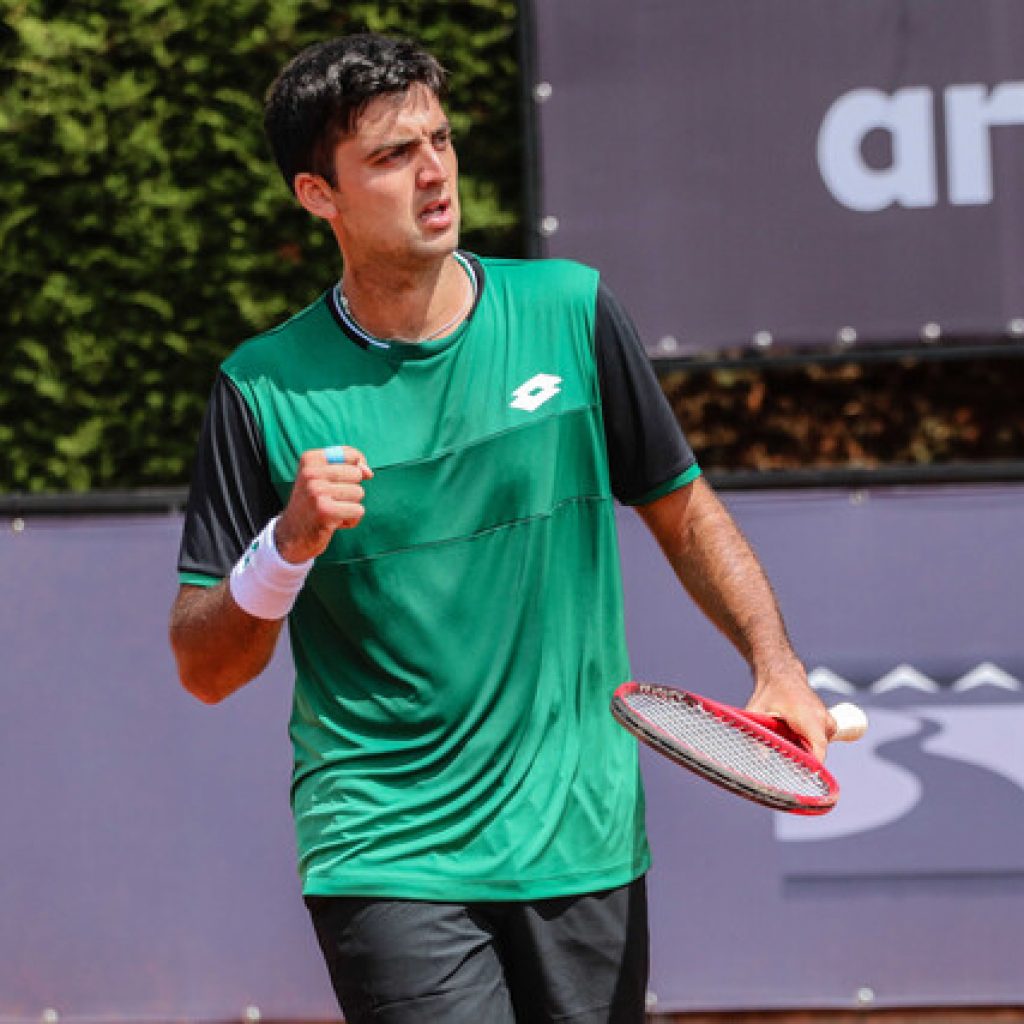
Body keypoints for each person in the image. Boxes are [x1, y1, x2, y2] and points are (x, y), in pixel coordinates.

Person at [169, 32, 834, 1024]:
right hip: (387, 845)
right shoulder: (262, 389)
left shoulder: (570, 309)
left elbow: (682, 510)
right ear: (319, 196)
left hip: (581, 833)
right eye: (392, 156)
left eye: (437, 140)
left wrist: (773, 659)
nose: (433, 172)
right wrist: (286, 544)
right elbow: (205, 665)